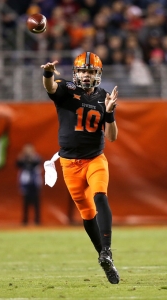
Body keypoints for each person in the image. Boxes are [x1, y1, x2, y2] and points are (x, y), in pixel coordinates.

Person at [40, 52, 120, 284]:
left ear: (98, 74)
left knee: (100, 196)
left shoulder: (104, 96)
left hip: (95, 158)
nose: (86, 75)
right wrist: (46, 73)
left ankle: (107, 250)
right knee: (86, 214)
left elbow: (112, 137)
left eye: (91, 71)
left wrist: (110, 113)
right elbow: (50, 87)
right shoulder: (66, 89)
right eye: (83, 71)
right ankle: (104, 259)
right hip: (69, 163)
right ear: (76, 73)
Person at [16, 144, 42, 225]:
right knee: (26, 202)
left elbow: (37, 163)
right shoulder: (23, 158)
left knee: (36, 202)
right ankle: (25, 220)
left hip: (34, 182)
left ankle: (37, 220)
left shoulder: (36, 157)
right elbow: (18, 164)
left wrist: (31, 157)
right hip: (26, 182)